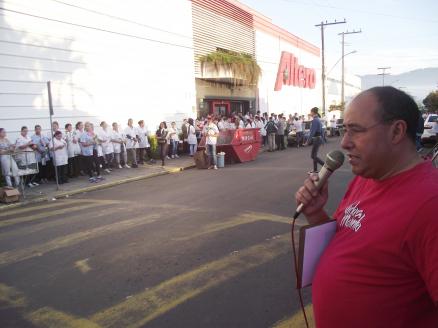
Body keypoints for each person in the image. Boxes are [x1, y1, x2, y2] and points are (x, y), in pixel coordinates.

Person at [295, 86, 438, 328]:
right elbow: (343, 240)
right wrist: (316, 213)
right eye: (344, 130)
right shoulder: (366, 177)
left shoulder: (430, 204)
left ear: (397, 132)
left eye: (356, 131)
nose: (344, 143)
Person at [306, 107, 324, 174]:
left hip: (316, 138)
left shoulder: (315, 120)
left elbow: (312, 132)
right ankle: (315, 170)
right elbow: (321, 130)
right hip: (318, 138)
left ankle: (325, 166)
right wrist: (322, 139)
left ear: (313, 112)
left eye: (311, 112)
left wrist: (307, 141)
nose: (310, 113)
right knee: (314, 155)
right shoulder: (317, 119)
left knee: (313, 156)